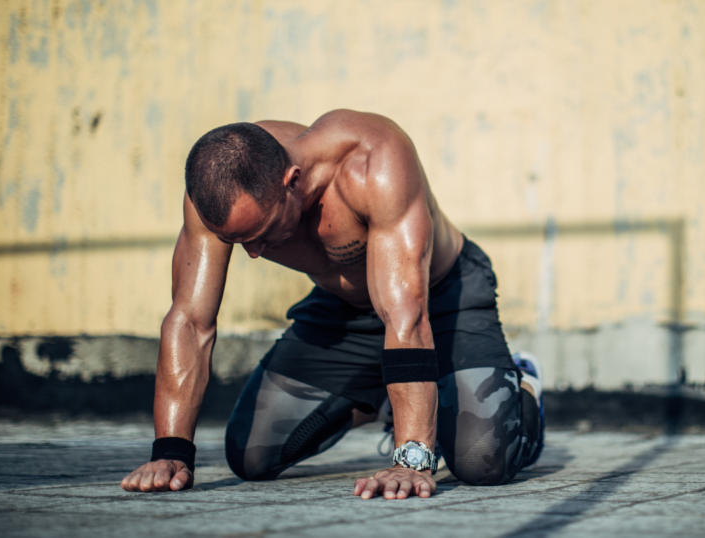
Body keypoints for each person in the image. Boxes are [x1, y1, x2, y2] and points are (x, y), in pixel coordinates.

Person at [120, 110, 544, 500]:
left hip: (442, 297)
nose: (253, 252)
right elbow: (190, 320)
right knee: (250, 455)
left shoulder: (372, 163)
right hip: (341, 309)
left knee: (481, 460)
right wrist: (171, 452)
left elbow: (406, 314)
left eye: (262, 234)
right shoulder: (218, 190)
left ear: (292, 180)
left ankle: (520, 383)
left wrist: (410, 462)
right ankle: (387, 400)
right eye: (239, 241)